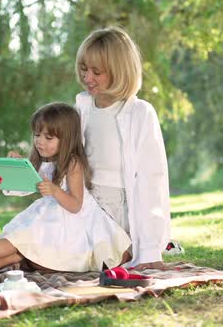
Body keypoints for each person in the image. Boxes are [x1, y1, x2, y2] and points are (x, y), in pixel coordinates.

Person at [0, 103, 131, 277]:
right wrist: (4, 179)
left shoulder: (73, 163)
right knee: (16, 252)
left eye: (48, 137)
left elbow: (76, 205)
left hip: (72, 226)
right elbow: (24, 186)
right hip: (50, 219)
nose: (40, 141)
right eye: (37, 135)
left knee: (18, 241)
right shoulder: (43, 162)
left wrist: (55, 191)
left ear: (67, 139)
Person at [73, 26, 171, 270]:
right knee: (41, 247)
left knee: (96, 260)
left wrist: (149, 252)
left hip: (118, 214)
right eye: (84, 69)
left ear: (120, 72)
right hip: (82, 205)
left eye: (97, 72)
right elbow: (58, 162)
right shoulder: (80, 108)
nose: (88, 78)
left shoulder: (139, 113)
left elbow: (152, 183)